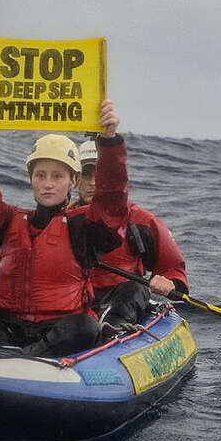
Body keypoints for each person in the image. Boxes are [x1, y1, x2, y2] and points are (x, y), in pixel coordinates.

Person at [0, 98, 127, 357]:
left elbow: (112, 200)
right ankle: (12, 354)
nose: (48, 184)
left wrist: (110, 141)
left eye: (58, 176)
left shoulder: (85, 225)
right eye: (40, 175)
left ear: (73, 181)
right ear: (31, 179)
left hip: (59, 327)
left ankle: (19, 357)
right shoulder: (8, 220)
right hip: (7, 324)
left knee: (85, 328)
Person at [76, 138, 188, 328]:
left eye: (101, 174)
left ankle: (114, 329)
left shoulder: (141, 221)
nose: (93, 182)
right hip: (74, 300)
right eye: (86, 174)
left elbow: (174, 269)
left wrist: (170, 283)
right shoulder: (61, 219)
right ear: (73, 179)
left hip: (122, 299)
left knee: (136, 287)